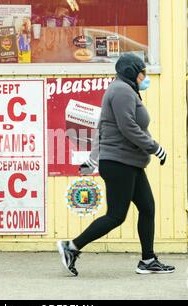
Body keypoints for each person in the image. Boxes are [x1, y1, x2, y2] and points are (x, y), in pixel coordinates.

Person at [57, 53, 175, 276]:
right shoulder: (121, 90)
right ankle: (70, 247)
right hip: (120, 162)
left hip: (129, 161)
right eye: (143, 72)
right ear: (132, 72)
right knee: (116, 216)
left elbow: (106, 128)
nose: (145, 77)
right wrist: (154, 147)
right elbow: (128, 127)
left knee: (147, 208)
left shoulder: (124, 89)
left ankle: (148, 261)